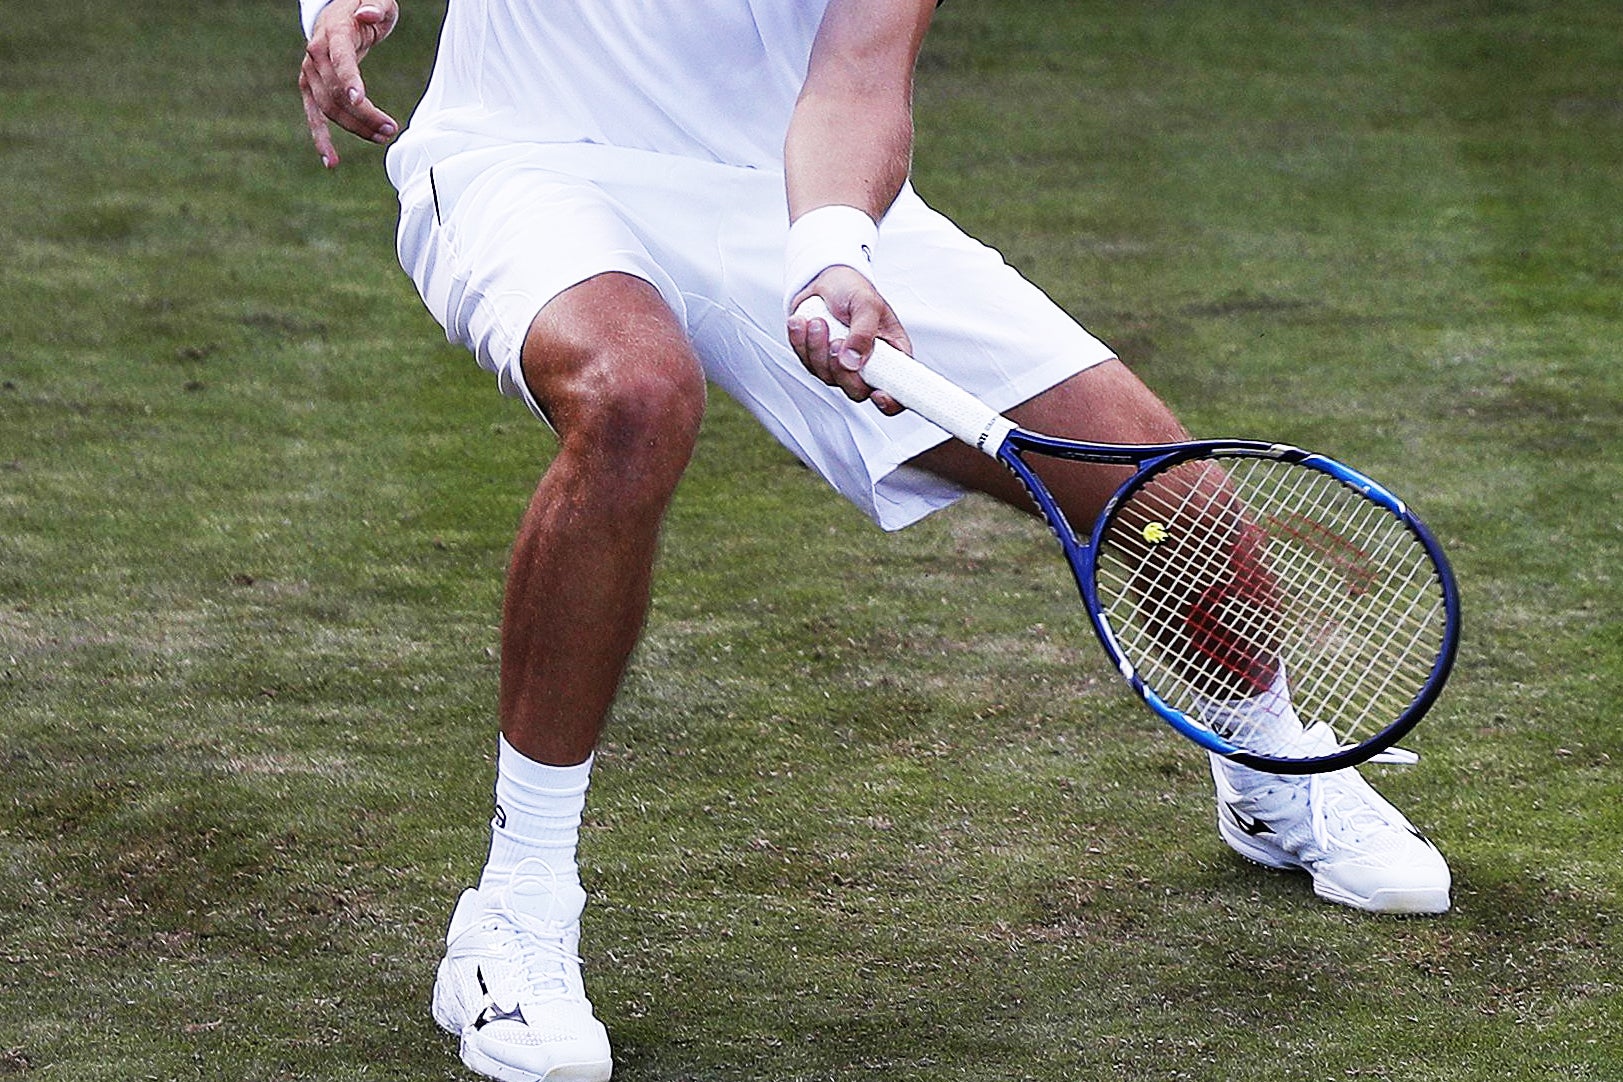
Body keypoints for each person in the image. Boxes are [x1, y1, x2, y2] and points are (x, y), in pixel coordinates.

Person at [298, 2, 1451, 1079]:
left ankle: (1267, 767)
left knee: (1173, 503)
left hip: (784, 184)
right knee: (638, 397)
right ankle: (515, 907)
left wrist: (831, 252)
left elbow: (856, 76)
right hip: (528, 157)